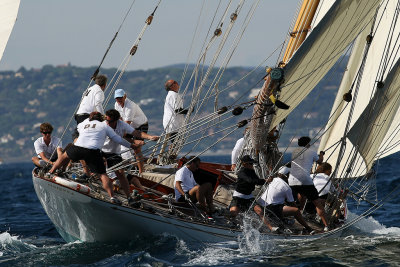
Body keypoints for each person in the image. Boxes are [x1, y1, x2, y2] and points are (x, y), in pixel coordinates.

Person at [49, 111, 141, 204]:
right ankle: (112, 197)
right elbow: (118, 139)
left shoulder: (84, 123)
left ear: (91, 118)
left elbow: (79, 129)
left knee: (64, 156)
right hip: (92, 151)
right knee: (103, 175)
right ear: (101, 119)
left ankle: (50, 172)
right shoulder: (104, 126)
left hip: (78, 148)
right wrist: (132, 146)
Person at [102, 109, 159, 196]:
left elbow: (136, 133)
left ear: (116, 120)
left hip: (114, 153)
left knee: (121, 174)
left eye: (110, 121)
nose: (108, 123)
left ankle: (129, 197)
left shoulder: (122, 125)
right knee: (101, 172)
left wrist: (150, 137)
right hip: (102, 151)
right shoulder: (103, 126)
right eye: (107, 120)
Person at [254, 166, 314, 234]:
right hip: (271, 208)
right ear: (286, 176)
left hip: (261, 204)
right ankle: (308, 228)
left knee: (281, 204)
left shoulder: (274, 179)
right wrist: (300, 212)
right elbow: (292, 204)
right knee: (295, 210)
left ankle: (283, 220)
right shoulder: (286, 187)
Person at [288, 136, 329, 231]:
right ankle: (326, 225)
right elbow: (320, 162)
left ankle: (301, 211)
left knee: (301, 193)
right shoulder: (311, 152)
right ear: (307, 144)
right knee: (317, 203)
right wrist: (321, 154)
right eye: (309, 143)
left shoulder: (294, 152)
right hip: (305, 180)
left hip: (292, 180)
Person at [114, 89, 149, 172]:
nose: (119, 100)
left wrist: (120, 133)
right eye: (117, 98)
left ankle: (141, 171)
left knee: (137, 148)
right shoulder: (116, 104)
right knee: (124, 141)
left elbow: (126, 124)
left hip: (141, 125)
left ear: (125, 96)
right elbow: (120, 118)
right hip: (130, 125)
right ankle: (132, 164)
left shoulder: (130, 106)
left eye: (120, 97)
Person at [73, 74, 108, 139]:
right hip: (87, 116)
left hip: (79, 115)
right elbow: (97, 103)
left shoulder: (89, 89)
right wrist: (103, 116)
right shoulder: (99, 91)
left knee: (82, 136)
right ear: (105, 85)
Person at [161, 79, 187, 155]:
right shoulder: (173, 95)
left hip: (172, 124)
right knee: (176, 143)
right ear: (172, 86)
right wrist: (189, 110)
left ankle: (170, 156)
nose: (177, 83)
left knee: (175, 143)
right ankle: (170, 156)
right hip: (173, 124)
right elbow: (177, 110)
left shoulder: (172, 95)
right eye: (175, 82)